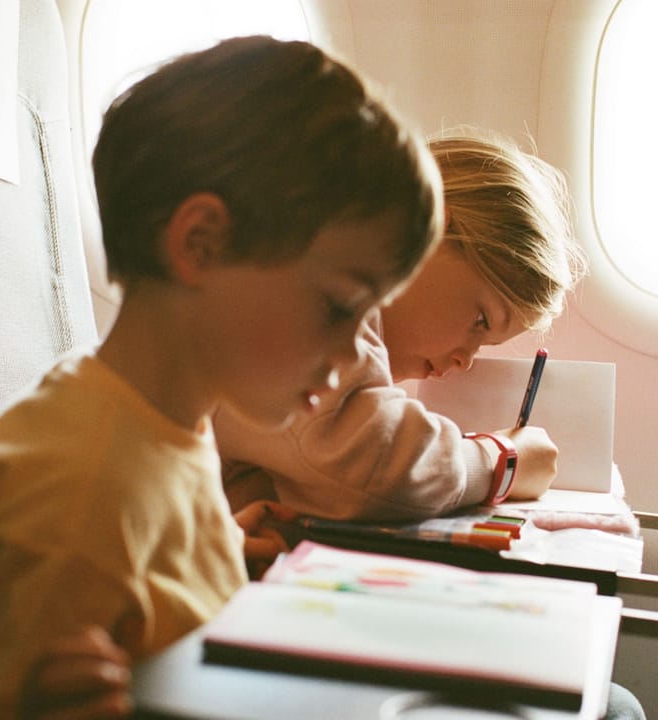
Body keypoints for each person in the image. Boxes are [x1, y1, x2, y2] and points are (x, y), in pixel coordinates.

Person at [0, 35, 443, 718]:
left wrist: (233, 555)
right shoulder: (74, 494)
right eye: (338, 306)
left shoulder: (172, 420)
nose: (357, 354)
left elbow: (154, 597)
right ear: (200, 244)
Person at [215, 129, 588, 521]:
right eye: (481, 320)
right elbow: (373, 464)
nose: (466, 361)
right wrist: (500, 461)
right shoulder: (321, 279)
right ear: (429, 226)